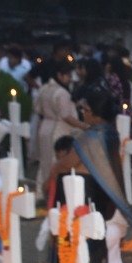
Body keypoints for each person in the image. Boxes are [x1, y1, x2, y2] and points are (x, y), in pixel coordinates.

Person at [32, 60, 81, 190]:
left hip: (44, 127)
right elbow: (66, 116)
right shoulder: (62, 93)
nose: (70, 79)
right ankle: (55, 190)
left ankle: (41, 190)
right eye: (68, 75)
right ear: (60, 75)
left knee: (44, 161)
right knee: (57, 161)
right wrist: (83, 126)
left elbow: (37, 108)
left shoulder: (43, 88)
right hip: (58, 129)